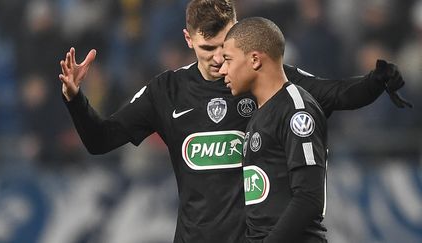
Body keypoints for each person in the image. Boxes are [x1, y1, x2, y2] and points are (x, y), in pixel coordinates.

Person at [58, 1, 410, 242]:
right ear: (188, 39)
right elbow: (101, 140)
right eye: (206, 49)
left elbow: (334, 94)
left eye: (224, 47)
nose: (216, 60)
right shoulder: (167, 90)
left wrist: (375, 81)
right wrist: (75, 99)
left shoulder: (264, 77)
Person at [220, 16, 328, 243]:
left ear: (255, 60)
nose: (222, 69)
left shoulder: (297, 109)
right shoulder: (258, 114)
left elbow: (309, 198)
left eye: (228, 59)